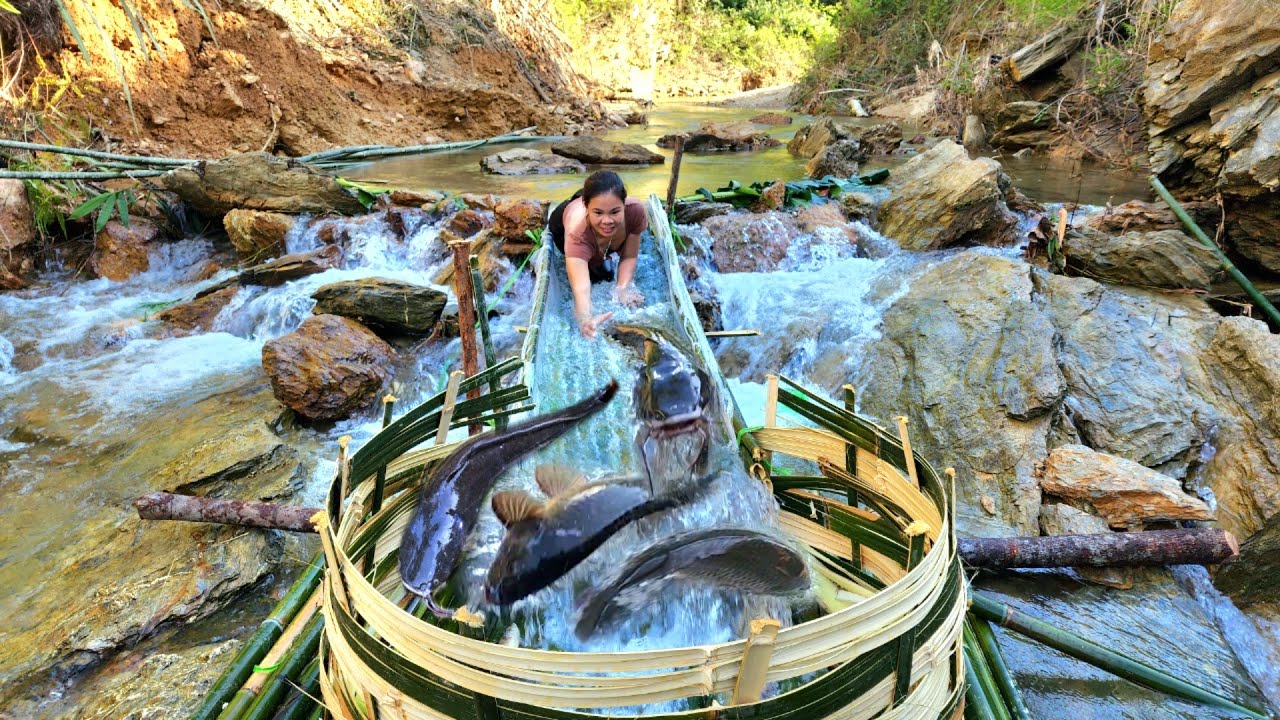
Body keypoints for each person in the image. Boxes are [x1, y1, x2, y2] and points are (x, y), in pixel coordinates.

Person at [548, 170, 647, 339]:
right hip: (562, 225)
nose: (607, 221)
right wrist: (586, 320)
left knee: (608, 274)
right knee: (597, 275)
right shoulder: (576, 234)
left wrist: (622, 289)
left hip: (591, 206)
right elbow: (581, 289)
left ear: (624, 205)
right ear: (587, 208)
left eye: (615, 212)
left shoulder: (635, 212)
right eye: (599, 213)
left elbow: (629, 256)